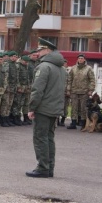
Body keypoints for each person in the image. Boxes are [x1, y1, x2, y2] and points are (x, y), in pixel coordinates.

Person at [26, 38, 66, 178]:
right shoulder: (61, 68)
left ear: (48, 51)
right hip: (54, 107)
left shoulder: (44, 67)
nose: (38, 52)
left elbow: (37, 90)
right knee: (49, 137)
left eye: (40, 50)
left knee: (40, 137)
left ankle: (43, 167)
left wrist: (32, 108)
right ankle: (49, 167)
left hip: (43, 107)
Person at [66, 54, 95, 129]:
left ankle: (83, 123)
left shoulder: (88, 69)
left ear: (84, 59)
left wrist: (91, 90)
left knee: (83, 108)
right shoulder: (73, 68)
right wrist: (68, 89)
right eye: (79, 58)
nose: (80, 60)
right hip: (74, 91)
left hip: (84, 91)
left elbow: (92, 80)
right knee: (74, 107)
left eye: (82, 58)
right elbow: (69, 79)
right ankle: (73, 123)